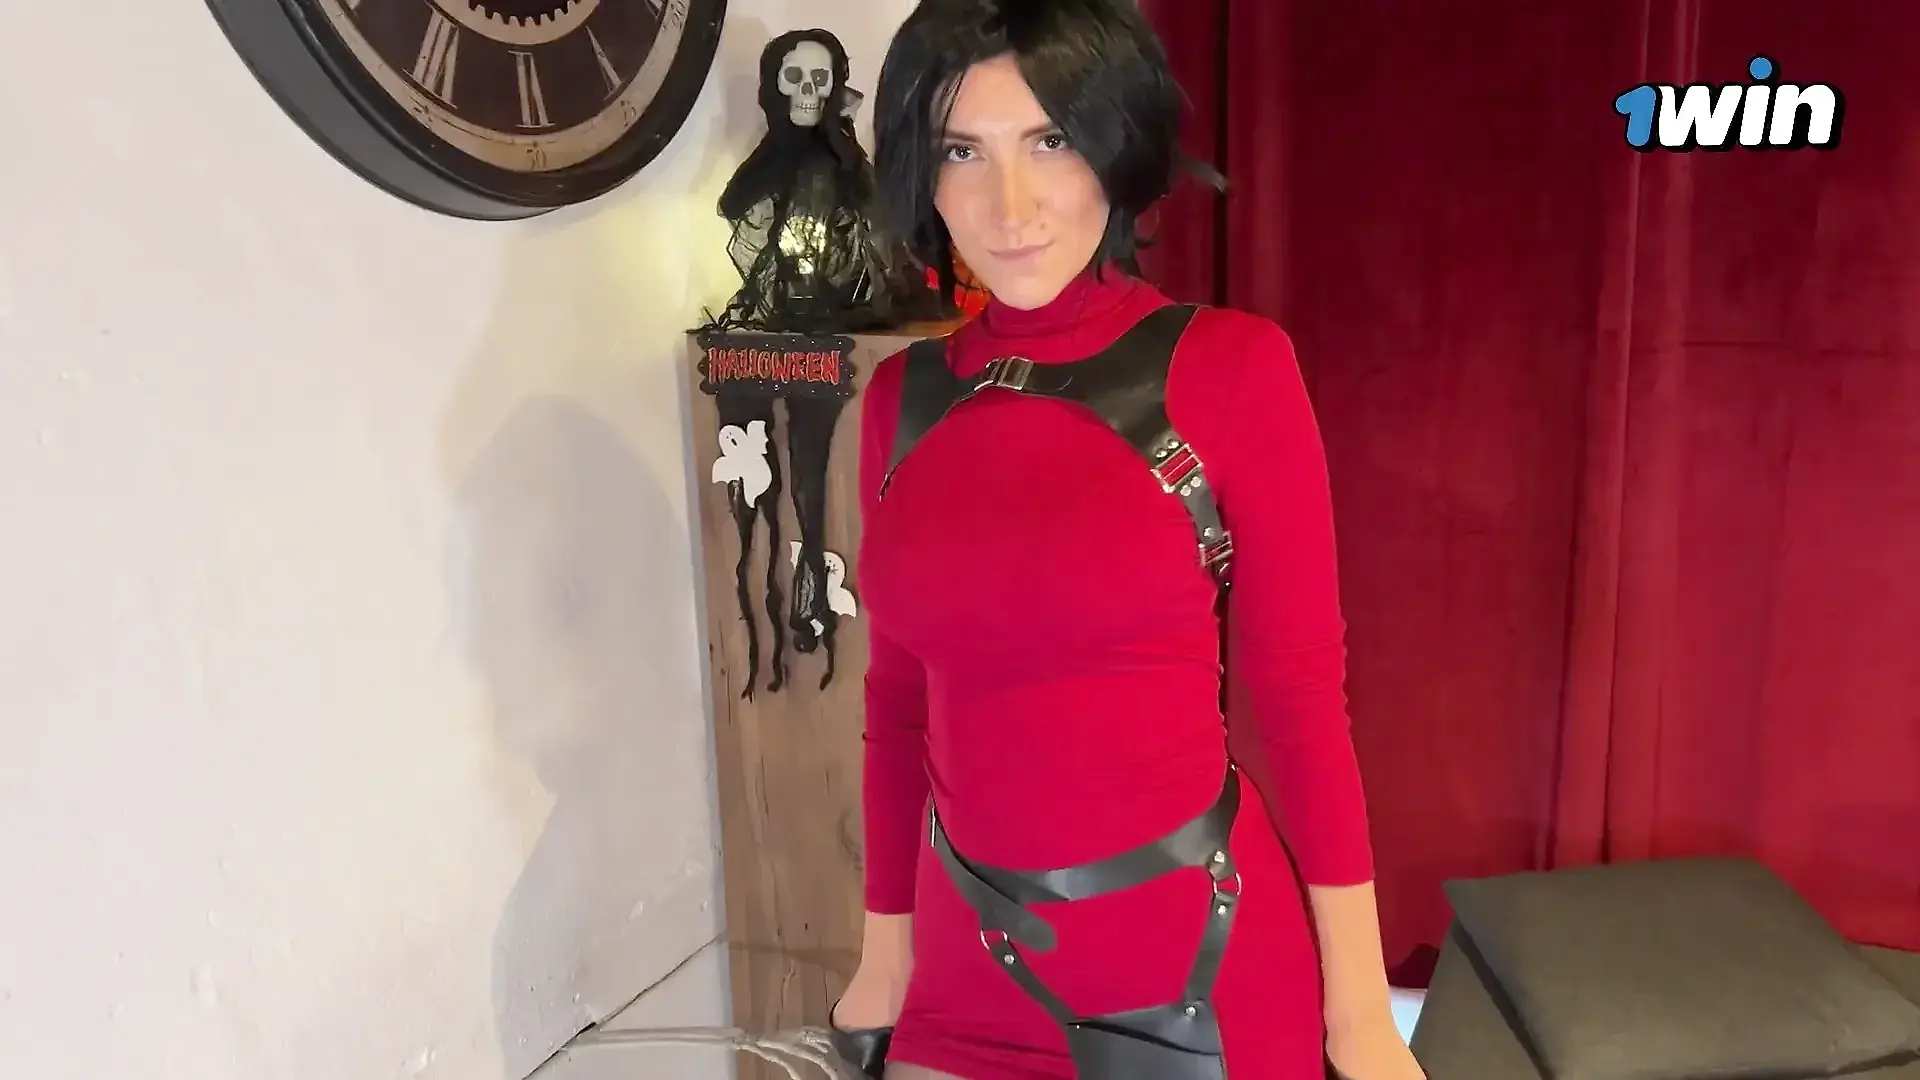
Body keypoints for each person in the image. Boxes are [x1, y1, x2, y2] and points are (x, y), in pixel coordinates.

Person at [829, 2, 1426, 1077]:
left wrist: (1360, 1011)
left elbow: (1299, 705)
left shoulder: (1233, 369)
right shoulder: (899, 403)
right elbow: (899, 705)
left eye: (1050, 140)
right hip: (964, 976)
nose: (1009, 205)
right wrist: (886, 954)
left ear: (1114, 143)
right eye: (963, 151)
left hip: (1198, 968)